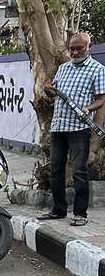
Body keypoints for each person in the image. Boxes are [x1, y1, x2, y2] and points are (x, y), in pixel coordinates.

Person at [43, 32, 105, 226]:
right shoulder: (63, 68)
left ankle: (80, 213)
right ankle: (58, 210)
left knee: (79, 171)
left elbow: (101, 99)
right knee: (56, 169)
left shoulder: (97, 69)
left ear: (88, 47)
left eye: (79, 48)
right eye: (72, 48)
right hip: (58, 126)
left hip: (79, 128)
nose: (75, 52)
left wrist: (87, 108)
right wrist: (48, 89)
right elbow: (52, 89)